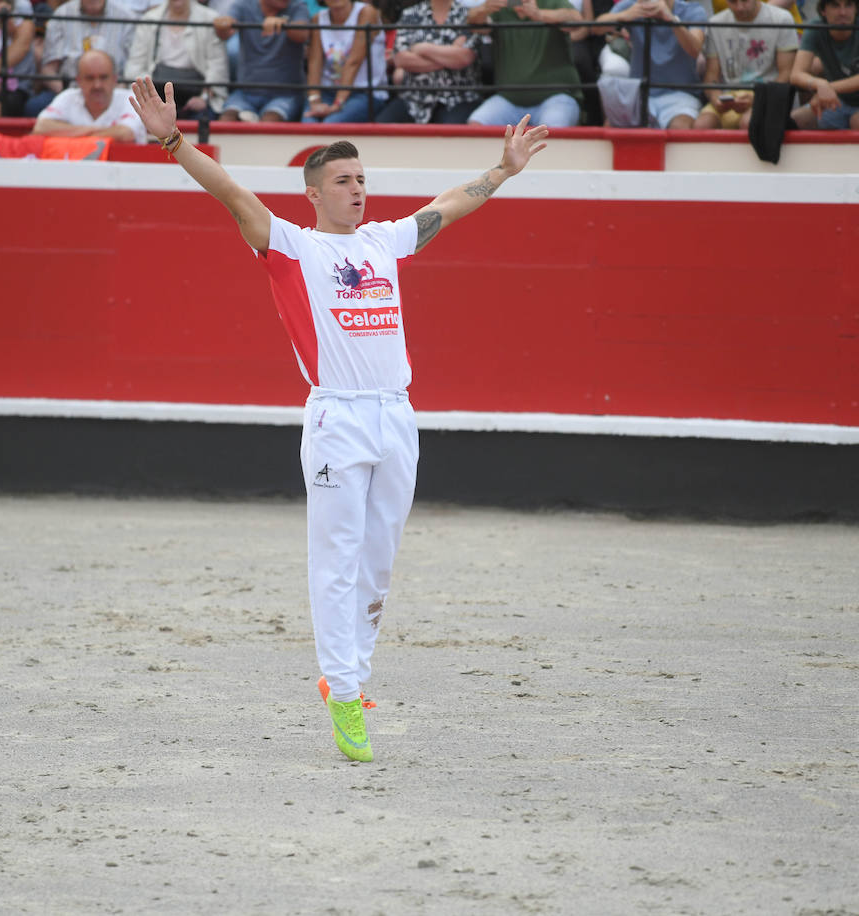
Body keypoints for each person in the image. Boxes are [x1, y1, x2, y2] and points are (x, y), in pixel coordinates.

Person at [129, 75, 548, 764]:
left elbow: (447, 207)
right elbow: (231, 193)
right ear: (314, 194)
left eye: (361, 179)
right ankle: (345, 693)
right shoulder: (292, 245)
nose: (357, 190)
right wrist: (173, 139)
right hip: (337, 419)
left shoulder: (385, 240)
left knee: (378, 563)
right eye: (344, 181)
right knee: (335, 561)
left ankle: (350, 675)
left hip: (398, 416)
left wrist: (503, 170)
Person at [584, 0, 706, 128]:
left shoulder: (692, 10)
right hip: (640, 94)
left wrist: (671, 19)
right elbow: (596, 28)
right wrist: (624, 15)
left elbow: (695, 50)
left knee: (680, 128)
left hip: (681, 95)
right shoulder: (634, 5)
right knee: (610, 128)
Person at [466, 0, 584, 127]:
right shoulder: (501, 7)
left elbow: (576, 19)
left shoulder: (552, 2)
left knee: (551, 130)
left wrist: (540, 14)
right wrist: (484, 8)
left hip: (556, 98)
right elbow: (474, 22)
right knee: (475, 126)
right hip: (509, 100)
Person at [26, 0, 150, 117]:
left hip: (114, 91)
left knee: (141, 109)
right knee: (34, 106)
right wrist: (69, 95)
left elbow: (132, 67)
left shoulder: (127, 17)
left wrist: (113, 93)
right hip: (68, 89)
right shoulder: (61, 15)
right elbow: (48, 69)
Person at [692, 0, 795, 130]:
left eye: (745, 1)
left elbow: (786, 74)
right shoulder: (715, 23)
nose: (739, 7)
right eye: (733, 2)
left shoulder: (781, 19)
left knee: (749, 123)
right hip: (730, 96)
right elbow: (711, 76)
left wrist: (759, 98)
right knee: (702, 125)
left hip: (768, 95)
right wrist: (716, 98)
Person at [376, 0, 482, 123]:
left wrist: (422, 48)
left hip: (459, 98)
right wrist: (450, 56)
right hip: (413, 99)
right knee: (380, 127)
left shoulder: (469, 14)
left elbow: (465, 57)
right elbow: (400, 59)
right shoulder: (410, 13)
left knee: (452, 131)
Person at [789, 0, 859, 129]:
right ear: (823, 10)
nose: (843, 12)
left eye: (848, 5)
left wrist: (828, 88)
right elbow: (796, 74)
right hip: (838, 100)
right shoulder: (815, 27)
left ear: (856, 9)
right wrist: (820, 84)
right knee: (795, 119)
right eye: (835, 5)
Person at [124, 0, 229, 116]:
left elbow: (217, 65)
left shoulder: (209, 18)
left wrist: (204, 98)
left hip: (197, 97)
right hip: (155, 94)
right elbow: (135, 64)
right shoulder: (149, 19)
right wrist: (148, 96)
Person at [215, 0, 311, 122]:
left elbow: (302, 35)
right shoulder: (243, 5)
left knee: (268, 123)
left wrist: (285, 25)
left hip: (286, 94)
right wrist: (223, 24)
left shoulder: (297, 6)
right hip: (245, 93)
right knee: (225, 121)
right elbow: (224, 32)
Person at [34, 46, 146, 140]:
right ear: (79, 81)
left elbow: (126, 134)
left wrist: (70, 133)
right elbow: (41, 127)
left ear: (114, 79)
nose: (97, 85)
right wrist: (102, 131)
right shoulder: (67, 96)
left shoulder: (130, 98)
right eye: (90, 78)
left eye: (103, 77)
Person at [302, 0, 385, 123]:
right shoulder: (318, 18)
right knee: (308, 125)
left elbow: (354, 62)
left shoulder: (366, 12)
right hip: (327, 92)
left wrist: (338, 104)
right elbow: (314, 62)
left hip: (364, 93)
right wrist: (315, 101)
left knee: (330, 124)